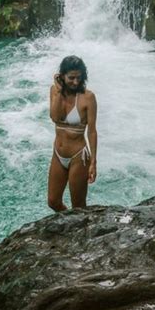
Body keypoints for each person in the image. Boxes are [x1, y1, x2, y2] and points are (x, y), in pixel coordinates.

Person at [47, 55, 97, 211]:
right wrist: (60, 91)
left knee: (79, 206)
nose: (75, 82)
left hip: (79, 156)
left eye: (79, 78)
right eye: (71, 78)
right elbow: (55, 118)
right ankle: (71, 226)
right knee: (53, 201)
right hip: (58, 153)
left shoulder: (88, 98)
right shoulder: (55, 91)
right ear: (62, 76)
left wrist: (93, 162)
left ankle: (80, 230)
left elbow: (92, 131)